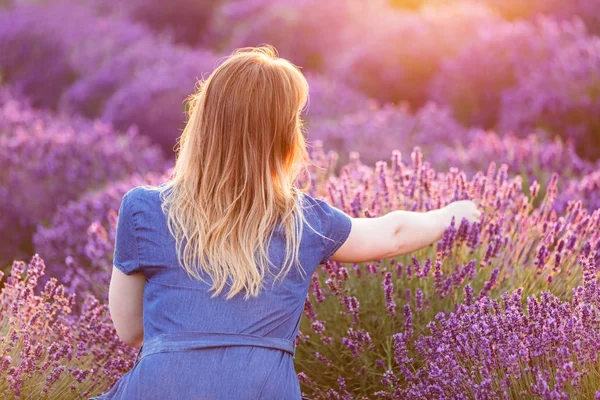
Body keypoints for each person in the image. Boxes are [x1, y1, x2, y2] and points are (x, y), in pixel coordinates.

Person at [90, 45, 481, 400]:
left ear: (203, 121)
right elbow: (393, 233)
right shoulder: (306, 222)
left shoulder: (144, 209)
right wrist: (453, 215)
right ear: (283, 137)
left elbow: (130, 330)